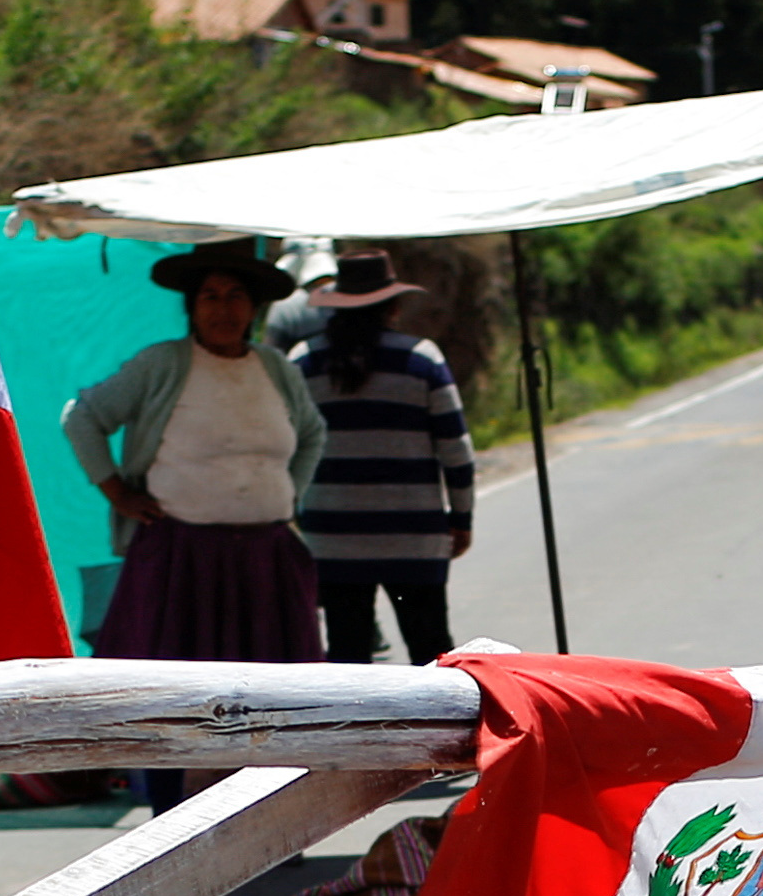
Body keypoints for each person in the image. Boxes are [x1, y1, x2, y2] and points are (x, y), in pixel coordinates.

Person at [65, 236, 327, 805]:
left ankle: (275, 819)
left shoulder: (276, 369)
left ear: (254, 308)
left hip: (266, 559)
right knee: (176, 695)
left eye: (236, 296)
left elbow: (310, 434)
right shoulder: (162, 364)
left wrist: (285, 496)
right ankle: (170, 816)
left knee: (276, 695)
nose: (223, 308)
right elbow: (83, 418)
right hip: (181, 559)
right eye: (210, 296)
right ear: (192, 306)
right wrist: (116, 490)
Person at [294, 248, 476, 663]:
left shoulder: (303, 362)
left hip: (332, 536)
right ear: (393, 305)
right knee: (432, 652)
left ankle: (356, 731)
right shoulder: (422, 359)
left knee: (347, 656)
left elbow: (288, 446)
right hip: (413, 535)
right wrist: (461, 520)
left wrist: (299, 515)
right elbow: (457, 451)